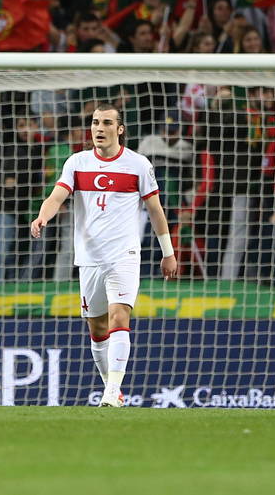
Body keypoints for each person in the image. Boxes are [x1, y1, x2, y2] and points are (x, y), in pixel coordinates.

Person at [29, 103, 176, 409]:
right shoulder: (77, 162)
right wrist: (43, 216)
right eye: (95, 122)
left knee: (119, 316)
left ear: (119, 129)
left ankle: (112, 391)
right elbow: (56, 196)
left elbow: (155, 210)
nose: (99, 128)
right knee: (97, 329)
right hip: (89, 258)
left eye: (107, 122)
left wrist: (168, 253)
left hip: (124, 255)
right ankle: (111, 386)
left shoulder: (138, 164)